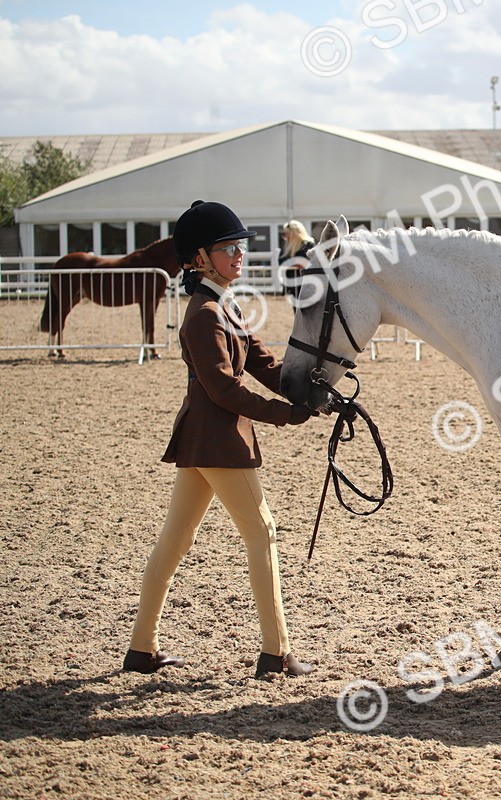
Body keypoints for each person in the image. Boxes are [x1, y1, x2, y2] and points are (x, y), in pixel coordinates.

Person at [123, 200, 319, 678]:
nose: (239, 255)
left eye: (240, 247)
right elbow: (225, 389)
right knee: (263, 533)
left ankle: (140, 649)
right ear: (199, 258)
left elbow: (261, 362)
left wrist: (311, 390)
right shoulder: (204, 314)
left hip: (201, 438)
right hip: (219, 440)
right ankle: (276, 652)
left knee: (175, 539)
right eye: (228, 248)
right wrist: (289, 415)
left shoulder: (224, 304)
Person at [278, 220, 315, 297]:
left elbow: (309, 263)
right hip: (293, 283)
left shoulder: (308, 245)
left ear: (294, 234)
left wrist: (295, 263)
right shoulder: (287, 247)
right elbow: (281, 262)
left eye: (286, 234)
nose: (285, 237)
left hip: (308, 282)